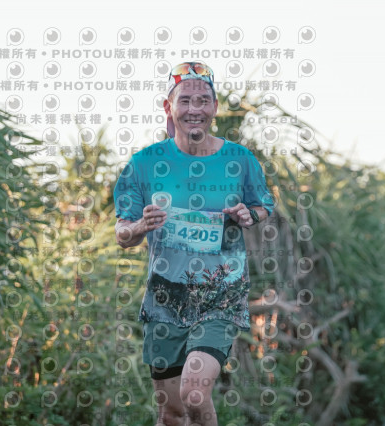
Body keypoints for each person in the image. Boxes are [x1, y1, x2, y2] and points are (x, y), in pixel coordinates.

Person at [113, 61, 274, 426]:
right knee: (171, 414)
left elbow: (263, 205)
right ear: (168, 107)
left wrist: (249, 215)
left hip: (220, 294)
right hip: (165, 300)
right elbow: (122, 235)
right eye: (185, 100)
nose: (194, 109)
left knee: (195, 393)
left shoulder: (240, 160)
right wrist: (139, 226)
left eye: (203, 100)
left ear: (214, 107)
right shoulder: (144, 164)